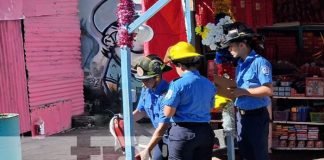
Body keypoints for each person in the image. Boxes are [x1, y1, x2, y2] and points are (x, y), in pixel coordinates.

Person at [221, 22, 273, 160]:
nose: (229, 49)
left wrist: (244, 92)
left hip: (256, 117)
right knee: (246, 154)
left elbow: (268, 89)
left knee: (258, 155)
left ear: (242, 45)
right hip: (242, 117)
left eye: (231, 46)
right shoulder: (240, 65)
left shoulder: (260, 63)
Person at [162, 41, 217, 160]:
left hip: (183, 133)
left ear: (180, 65)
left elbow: (168, 112)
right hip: (205, 132)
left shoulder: (177, 84)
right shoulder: (208, 83)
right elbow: (210, 107)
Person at [133, 54, 172, 160]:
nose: (143, 83)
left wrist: (148, 149)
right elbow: (141, 111)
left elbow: (163, 127)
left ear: (158, 77)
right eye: (142, 80)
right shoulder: (146, 90)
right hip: (160, 137)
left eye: (146, 80)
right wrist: (124, 121)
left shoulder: (167, 94)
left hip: (173, 137)